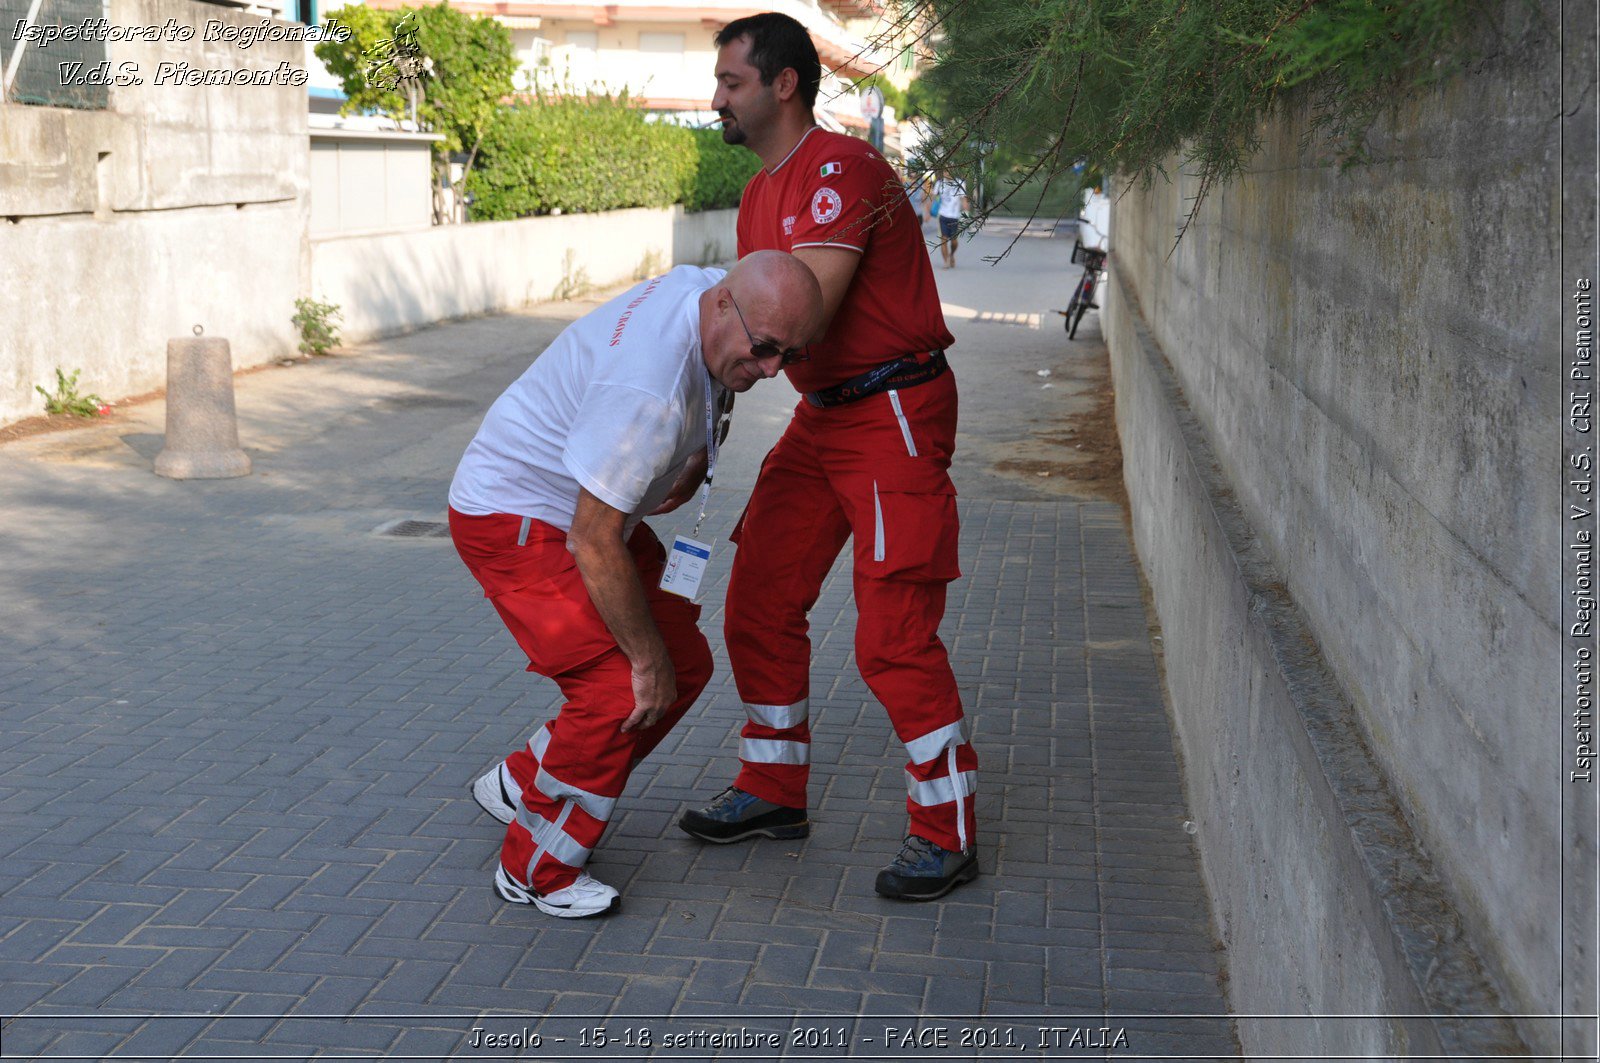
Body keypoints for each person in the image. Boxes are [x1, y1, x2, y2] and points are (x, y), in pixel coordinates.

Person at [677, 11, 979, 902]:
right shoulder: (758, 193)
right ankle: (773, 789)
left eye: (732, 82)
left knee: (892, 636)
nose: (717, 98)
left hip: (891, 410)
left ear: (782, 84)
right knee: (759, 597)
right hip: (824, 416)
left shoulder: (841, 170)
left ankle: (947, 826)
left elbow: (791, 317)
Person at [451, 251, 823, 918]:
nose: (772, 371)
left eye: (789, 355)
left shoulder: (707, 291)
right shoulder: (647, 395)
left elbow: (723, 355)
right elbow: (592, 541)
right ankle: (537, 865)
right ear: (722, 308)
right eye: (765, 350)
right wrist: (642, 658)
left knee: (686, 662)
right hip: (520, 517)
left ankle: (525, 779)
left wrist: (700, 447)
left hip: (584, 507)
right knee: (623, 683)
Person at [932, 170, 970, 268]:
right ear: (943, 172)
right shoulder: (939, 184)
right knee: (943, 239)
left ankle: (952, 254)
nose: (948, 173)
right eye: (946, 171)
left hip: (954, 216)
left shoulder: (960, 183)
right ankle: (946, 261)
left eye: (950, 170)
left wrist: (965, 205)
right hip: (942, 215)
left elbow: (963, 198)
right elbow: (934, 197)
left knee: (954, 241)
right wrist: (930, 208)